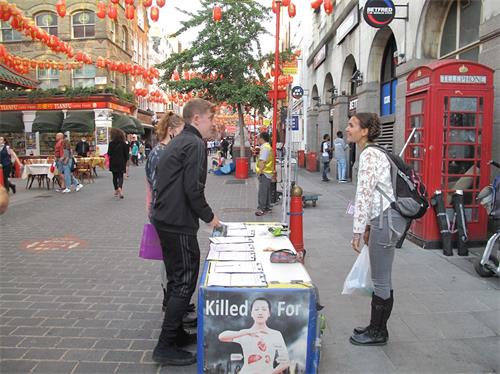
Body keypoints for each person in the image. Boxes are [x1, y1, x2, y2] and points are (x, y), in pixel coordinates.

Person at [150, 98, 221, 366]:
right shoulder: (193, 144)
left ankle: (177, 333)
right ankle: (166, 344)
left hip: (167, 218)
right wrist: (211, 217)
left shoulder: (181, 141)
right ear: (196, 119)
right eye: (210, 118)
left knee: (178, 278)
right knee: (184, 281)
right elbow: (194, 188)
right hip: (177, 222)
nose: (212, 124)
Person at [346, 112, 408, 346]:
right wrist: (368, 226)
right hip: (384, 219)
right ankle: (376, 327)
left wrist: (357, 230)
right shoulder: (374, 152)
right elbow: (375, 196)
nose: (347, 128)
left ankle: (378, 332)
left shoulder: (369, 155)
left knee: (381, 279)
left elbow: (363, 196)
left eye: (352, 125)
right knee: (382, 277)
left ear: (365, 131)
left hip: (386, 220)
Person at [145, 112, 196, 325]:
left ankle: (177, 303)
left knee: (172, 261)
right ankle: (172, 303)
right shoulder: (161, 152)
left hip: (161, 210)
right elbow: (158, 185)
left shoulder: (162, 150)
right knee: (171, 263)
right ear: (173, 130)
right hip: (166, 212)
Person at [219, 298, 290, 374]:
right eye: (256, 309)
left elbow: (285, 362)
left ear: (269, 313)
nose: (260, 312)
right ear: (252, 313)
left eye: (264, 309)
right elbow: (222, 337)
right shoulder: (245, 333)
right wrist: (247, 332)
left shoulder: (276, 334)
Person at [255, 132, 274, 216]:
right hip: (268, 172)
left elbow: (262, 161)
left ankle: (261, 209)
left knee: (262, 191)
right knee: (266, 191)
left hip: (264, 172)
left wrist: (259, 172)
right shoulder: (267, 147)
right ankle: (267, 207)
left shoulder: (265, 148)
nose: (257, 140)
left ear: (262, 139)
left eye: (258, 138)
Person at [107, 128, 129, 199]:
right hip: (121, 162)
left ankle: (116, 189)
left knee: (114, 176)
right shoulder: (124, 144)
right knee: (120, 176)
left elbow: (109, 153)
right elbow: (126, 155)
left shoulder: (111, 143)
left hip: (113, 162)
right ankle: (120, 187)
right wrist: (125, 162)